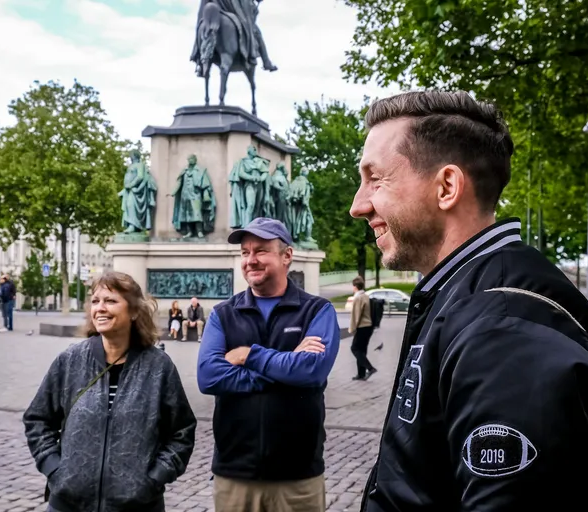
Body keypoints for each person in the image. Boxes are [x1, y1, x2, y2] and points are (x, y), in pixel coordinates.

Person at [350, 91, 588, 511]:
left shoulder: (501, 328)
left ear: (447, 186)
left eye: (375, 178)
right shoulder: (463, 295)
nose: (358, 205)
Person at [197, 217, 341, 512]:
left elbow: (311, 371)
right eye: (245, 252)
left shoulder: (316, 310)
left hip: (298, 477)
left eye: (261, 251)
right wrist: (283, 370)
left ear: (286, 255)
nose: (251, 260)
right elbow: (209, 377)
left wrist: (248, 356)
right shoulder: (224, 314)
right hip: (235, 475)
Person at [24, 271, 196, 512]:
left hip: (138, 506)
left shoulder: (159, 367)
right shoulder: (70, 360)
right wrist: (55, 469)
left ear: (134, 311)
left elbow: (182, 431)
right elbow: (37, 419)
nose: (100, 308)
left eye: (111, 301)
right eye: (96, 301)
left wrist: (153, 479)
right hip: (69, 505)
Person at [348, 276, 377, 381]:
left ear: (355, 286)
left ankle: (370, 368)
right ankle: (361, 374)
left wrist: (352, 329)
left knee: (354, 348)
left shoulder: (358, 297)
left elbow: (356, 315)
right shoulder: (365, 295)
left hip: (362, 327)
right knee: (361, 350)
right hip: (368, 327)